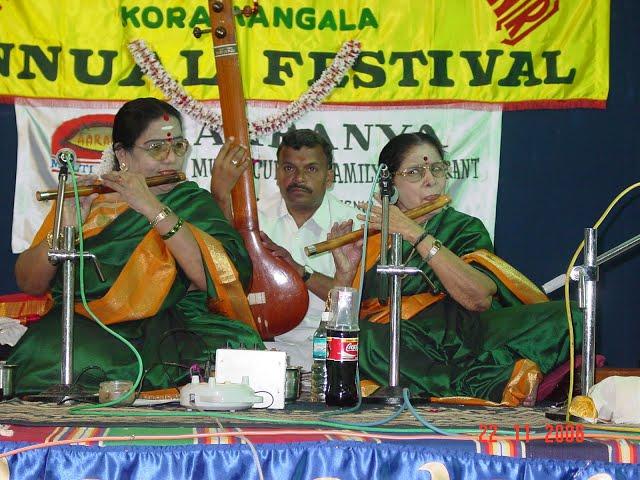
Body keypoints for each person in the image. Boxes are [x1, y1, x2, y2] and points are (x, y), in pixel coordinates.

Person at [9, 98, 263, 395]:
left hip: (171, 326)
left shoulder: (192, 203)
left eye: (179, 146)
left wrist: (151, 207)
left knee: (239, 355)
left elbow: (218, 275)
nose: (171, 158)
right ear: (122, 154)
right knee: (52, 358)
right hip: (88, 326)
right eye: (157, 148)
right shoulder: (89, 203)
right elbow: (30, 282)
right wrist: (68, 227)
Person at [330, 129, 583, 404]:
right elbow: (337, 321)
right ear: (389, 183)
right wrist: (345, 271)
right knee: (360, 340)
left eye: (437, 169)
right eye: (415, 172)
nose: (431, 181)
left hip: (465, 337)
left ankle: (439, 384)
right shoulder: (372, 238)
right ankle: (488, 382)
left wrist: (417, 235)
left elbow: (479, 300)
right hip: (401, 345)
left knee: (571, 318)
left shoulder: (464, 228)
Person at [212, 129, 361, 370]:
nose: (299, 178)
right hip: (263, 348)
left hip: (332, 348)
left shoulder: (354, 226)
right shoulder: (251, 221)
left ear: (330, 177)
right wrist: (220, 197)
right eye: (289, 168)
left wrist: (298, 270)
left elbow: (357, 302)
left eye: (311, 169)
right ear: (277, 173)